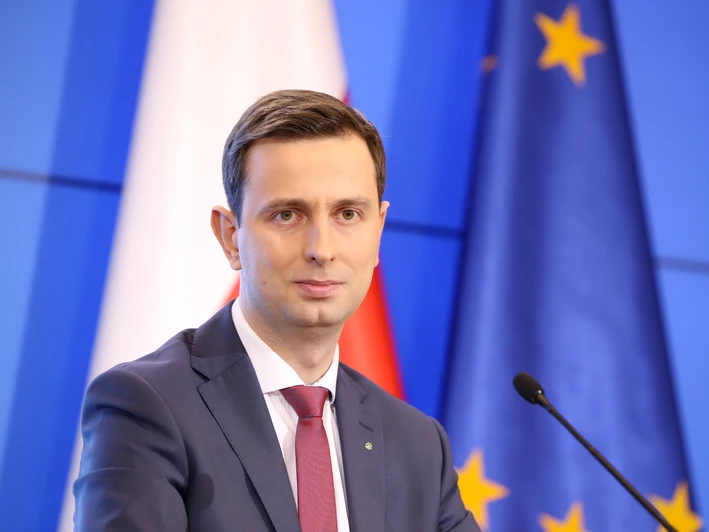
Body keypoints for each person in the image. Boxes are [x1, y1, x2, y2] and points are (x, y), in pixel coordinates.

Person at [73, 89, 480, 532]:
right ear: (231, 236)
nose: (322, 249)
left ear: (378, 230)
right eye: (287, 215)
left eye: (347, 214)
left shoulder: (419, 445)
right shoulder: (146, 406)